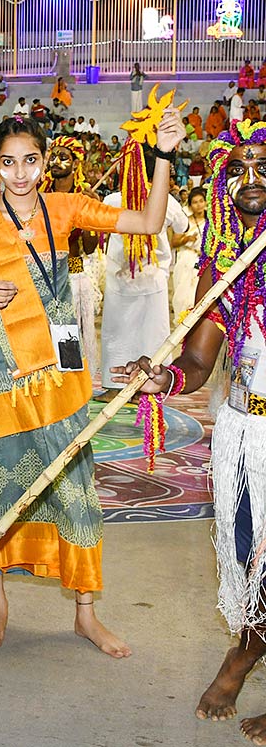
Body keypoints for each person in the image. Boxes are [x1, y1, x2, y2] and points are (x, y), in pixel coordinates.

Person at [0, 110, 182, 657]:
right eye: (8, 163)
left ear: (44, 163)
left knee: (74, 483)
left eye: (30, 161)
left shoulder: (64, 208)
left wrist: (163, 155)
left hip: (59, 366)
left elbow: (148, 222)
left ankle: (86, 613)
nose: (20, 173)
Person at [113, 122, 266, 741]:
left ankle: (239, 662)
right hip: (246, 437)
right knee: (253, 561)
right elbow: (199, 365)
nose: (252, 182)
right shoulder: (223, 271)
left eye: (265, 168)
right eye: (240, 170)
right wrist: (161, 381)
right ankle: (245, 651)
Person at [99, 150, 189, 391]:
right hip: (153, 280)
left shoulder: (112, 201)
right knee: (153, 338)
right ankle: (151, 387)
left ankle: (114, 387)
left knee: (116, 336)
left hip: (120, 280)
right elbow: (184, 226)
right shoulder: (167, 201)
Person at [42, 135, 103, 372]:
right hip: (43, 276)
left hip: (72, 278)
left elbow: (89, 248)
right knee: (44, 343)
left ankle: (70, 389)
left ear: (76, 163)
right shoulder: (40, 195)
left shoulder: (85, 197)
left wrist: (86, 216)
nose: (56, 162)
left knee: (69, 341)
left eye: (63, 157)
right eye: (53, 157)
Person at [169, 186, 205, 318]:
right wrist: (187, 238)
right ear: (190, 205)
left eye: (201, 201)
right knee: (183, 296)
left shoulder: (212, 221)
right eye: (195, 202)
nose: (199, 205)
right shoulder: (185, 222)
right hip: (187, 259)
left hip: (204, 261)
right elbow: (174, 242)